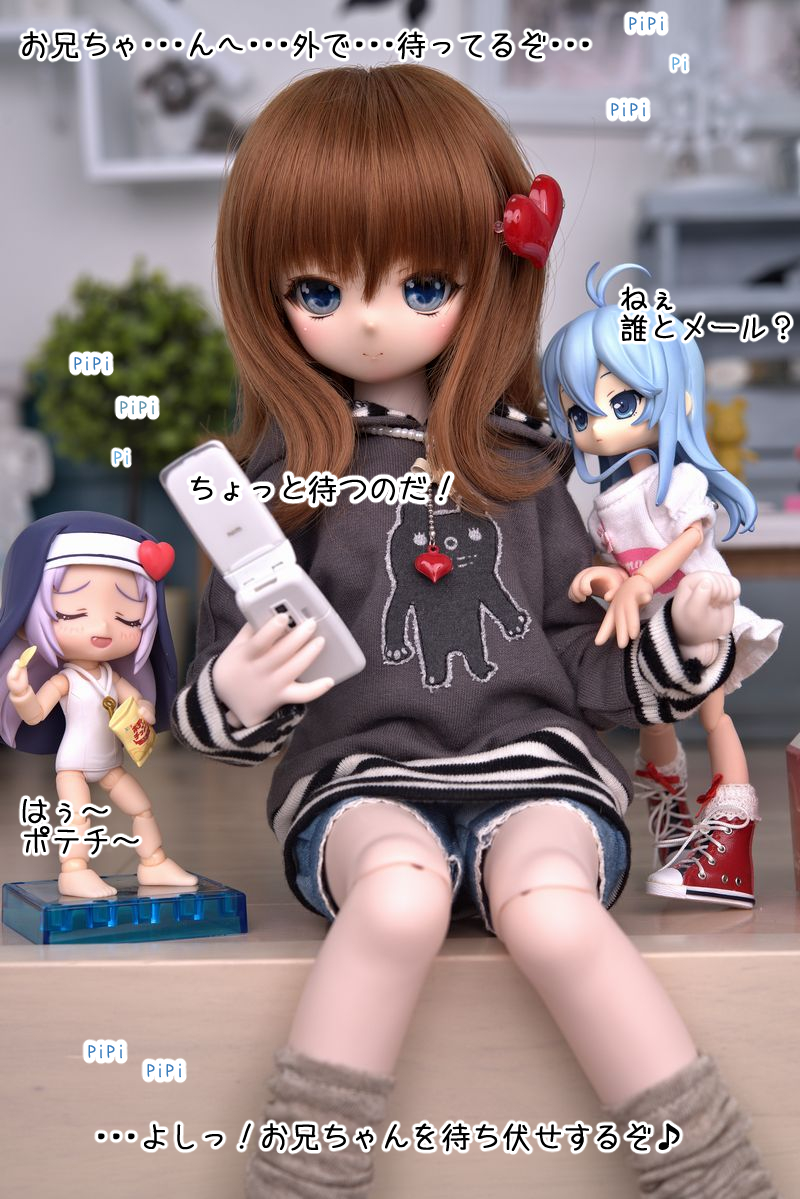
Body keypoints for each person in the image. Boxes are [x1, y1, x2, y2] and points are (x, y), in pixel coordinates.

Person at [172, 65, 776, 1198]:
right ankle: (301, 1176)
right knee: (396, 893)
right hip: (359, 779)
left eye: (421, 283)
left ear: (487, 275)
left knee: (553, 908)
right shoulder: (280, 487)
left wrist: (682, 637)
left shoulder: (526, 465)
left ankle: (712, 1175)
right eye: (318, 288)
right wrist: (244, 689)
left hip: (538, 770)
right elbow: (216, 716)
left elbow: (590, 668)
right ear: (264, 289)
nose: (369, 319)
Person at [542, 263, 782, 908]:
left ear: (677, 398)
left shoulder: (676, 480)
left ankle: (732, 837)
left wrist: (641, 579)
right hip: (655, 632)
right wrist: (607, 575)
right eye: (579, 412)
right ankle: (673, 818)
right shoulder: (609, 498)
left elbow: (690, 535)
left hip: (701, 610)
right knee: (654, 718)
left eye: (621, 404)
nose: (596, 427)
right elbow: (620, 558)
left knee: (714, 713)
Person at [0, 510, 197, 898]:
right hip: (73, 764)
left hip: (110, 762)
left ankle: (154, 862)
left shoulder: (112, 676)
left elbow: (138, 701)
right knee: (77, 817)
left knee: (140, 806)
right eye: (73, 613)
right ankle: (74, 870)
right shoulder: (65, 680)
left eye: (128, 618)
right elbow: (36, 714)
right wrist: (21, 694)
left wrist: (142, 713)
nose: (103, 628)